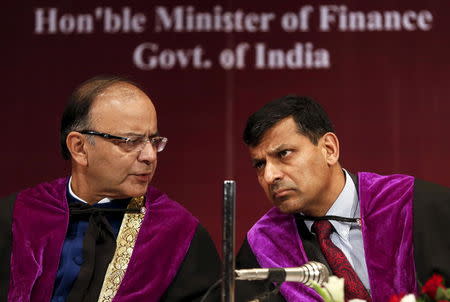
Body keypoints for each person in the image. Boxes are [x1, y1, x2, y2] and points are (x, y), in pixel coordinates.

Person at [0, 75, 221, 302]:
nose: (150, 156)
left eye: (153, 141)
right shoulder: (15, 219)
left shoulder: (179, 235)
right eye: (131, 142)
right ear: (79, 148)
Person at [235, 95, 450, 302]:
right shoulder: (263, 248)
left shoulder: (417, 206)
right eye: (260, 164)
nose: (270, 176)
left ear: (329, 149)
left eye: (284, 154)